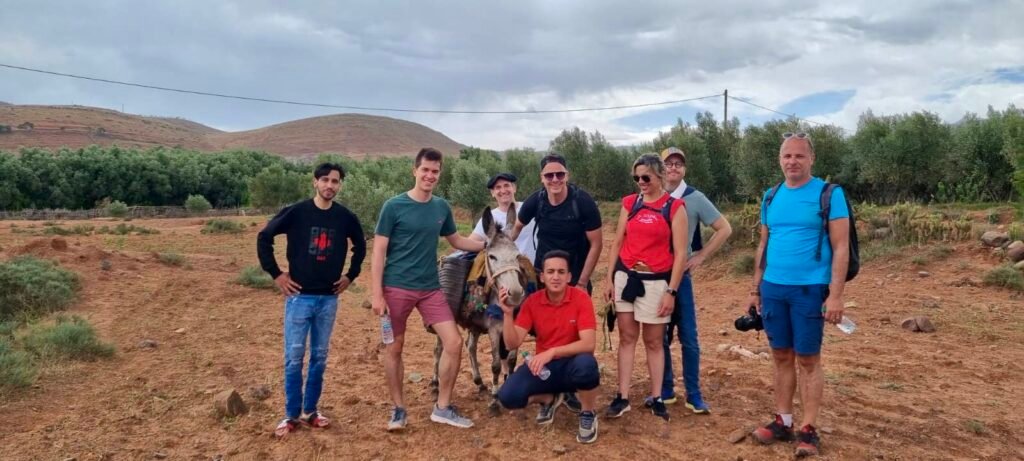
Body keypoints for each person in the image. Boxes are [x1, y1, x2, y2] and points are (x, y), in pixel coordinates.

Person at [747, 132, 850, 457]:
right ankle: (783, 420)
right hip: (773, 288)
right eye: (787, 156)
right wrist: (755, 289)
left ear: (811, 159)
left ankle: (808, 428)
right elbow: (764, 244)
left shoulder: (829, 194)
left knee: (808, 359)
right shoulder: (770, 196)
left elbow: (841, 247)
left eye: (799, 156)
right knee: (780, 356)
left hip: (809, 289)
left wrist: (836, 295)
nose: (792, 161)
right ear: (780, 159)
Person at [371, 147, 486, 431]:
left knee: (454, 343)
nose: (430, 175)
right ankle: (398, 410)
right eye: (425, 170)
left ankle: (442, 407)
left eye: (435, 171)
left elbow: (457, 241)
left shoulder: (441, 207)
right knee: (394, 347)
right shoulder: (393, 206)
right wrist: (377, 293)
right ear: (415, 170)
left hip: (430, 288)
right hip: (396, 287)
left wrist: (489, 245)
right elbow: (379, 251)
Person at [257, 162, 366, 438]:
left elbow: (361, 246)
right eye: (325, 180)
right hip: (299, 297)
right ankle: (291, 415)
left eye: (335, 181)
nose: (330, 185)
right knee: (294, 357)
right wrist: (277, 274)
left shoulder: (345, 217)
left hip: (328, 298)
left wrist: (350, 275)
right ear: (315, 182)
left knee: (319, 356)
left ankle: (310, 411)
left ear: (339, 185)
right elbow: (264, 237)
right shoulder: (296, 212)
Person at [602, 154, 688, 421]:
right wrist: (608, 278)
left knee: (654, 341)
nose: (641, 181)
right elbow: (617, 242)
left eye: (646, 177)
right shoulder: (630, 203)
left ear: (660, 176)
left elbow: (681, 254)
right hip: (626, 277)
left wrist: (671, 291)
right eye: (637, 177)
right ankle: (622, 396)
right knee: (627, 337)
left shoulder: (675, 207)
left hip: (656, 282)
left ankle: (657, 397)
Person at [496, 250, 601, 444]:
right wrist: (508, 314)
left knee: (587, 365)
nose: (556, 277)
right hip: (544, 369)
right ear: (542, 277)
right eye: (550, 272)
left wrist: (552, 352)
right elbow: (512, 343)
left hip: (572, 365)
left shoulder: (581, 299)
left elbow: (588, 344)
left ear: (569, 276)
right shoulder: (532, 302)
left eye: (561, 272)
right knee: (508, 397)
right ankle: (549, 398)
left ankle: (587, 412)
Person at [657, 147, 732, 414]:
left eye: (678, 164)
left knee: (688, 336)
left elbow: (724, 228)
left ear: (684, 169)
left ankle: (694, 394)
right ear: (660, 168)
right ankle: (665, 389)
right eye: (668, 163)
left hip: (682, 276)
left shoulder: (695, 198)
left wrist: (700, 256)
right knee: (659, 335)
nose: (673, 168)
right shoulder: (653, 196)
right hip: (656, 276)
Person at [512, 153, 602, 293]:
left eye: (560, 174)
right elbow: (516, 228)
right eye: (549, 175)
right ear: (542, 178)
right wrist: (498, 250)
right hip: (543, 276)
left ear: (567, 176)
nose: (555, 179)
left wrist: (582, 283)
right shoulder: (536, 201)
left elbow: (596, 244)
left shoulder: (583, 202)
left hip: (574, 275)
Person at [469, 172, 537, 263]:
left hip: (533, 268)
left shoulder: (529, 208)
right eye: (498, 187)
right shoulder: (490, 218)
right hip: (504, 269)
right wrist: (491, 244)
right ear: (492, 193)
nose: (503, 190)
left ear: (514, 188)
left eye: (506, 185)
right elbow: (471, 242)